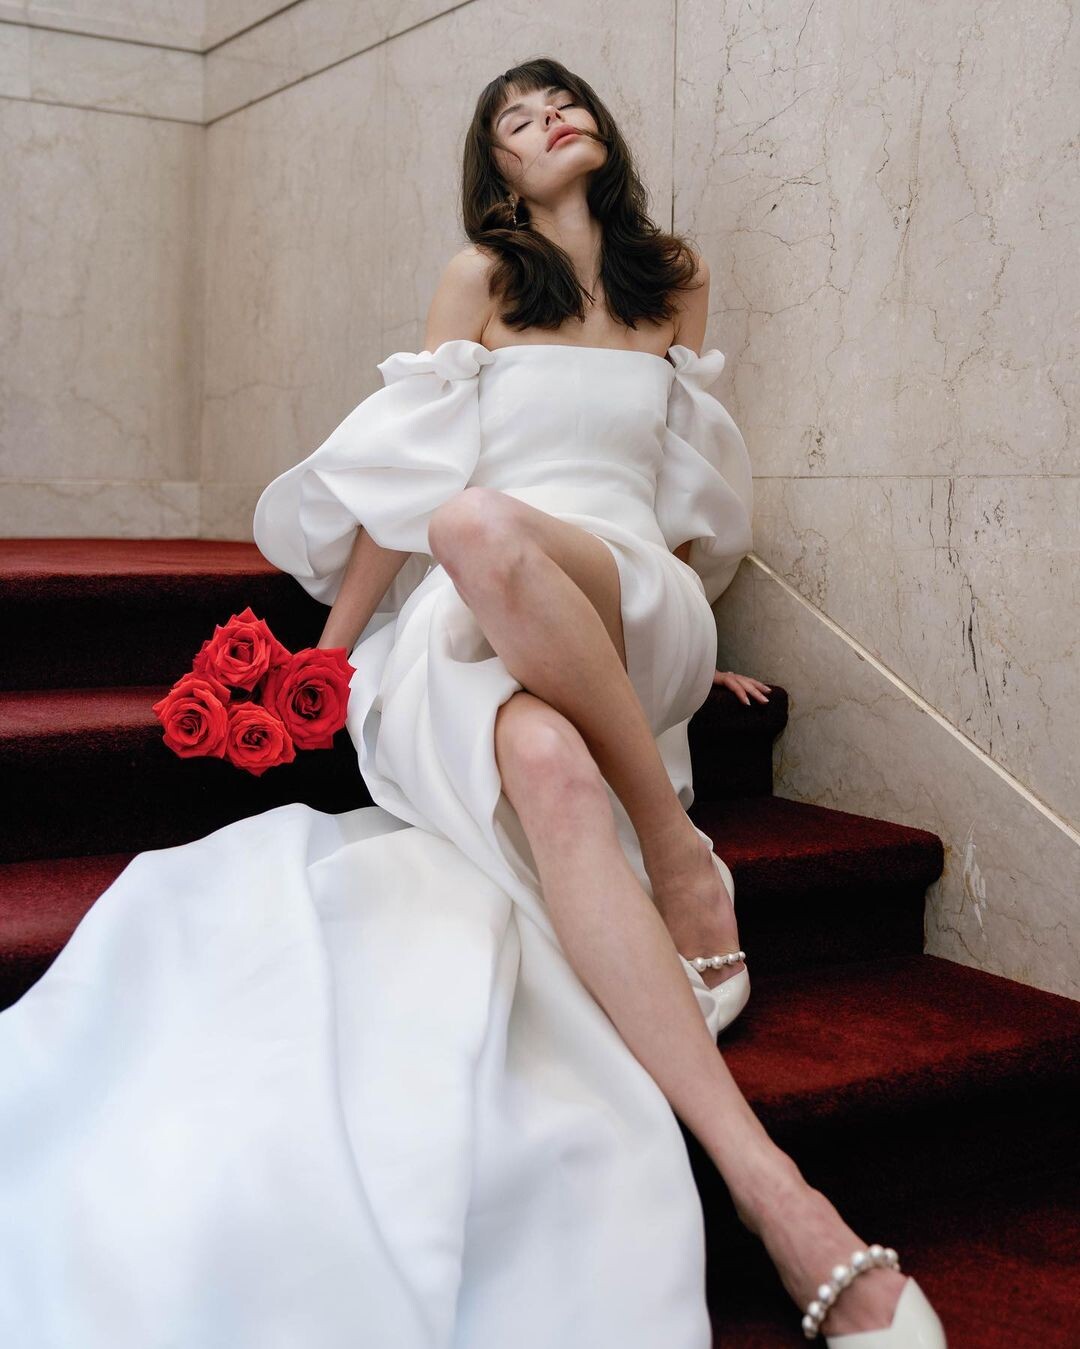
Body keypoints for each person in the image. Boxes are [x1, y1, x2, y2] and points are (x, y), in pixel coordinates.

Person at [0, 56, 947, 1349]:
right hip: (476, 603)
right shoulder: (482, 280)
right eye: (516, 117)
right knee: (528, 706)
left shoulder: (673, 279)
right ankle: (782, 1197)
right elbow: (414, 475)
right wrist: (328, 658)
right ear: (494, 167)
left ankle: (672, 851)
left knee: (485, 531)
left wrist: (694, 639)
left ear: (600, 130)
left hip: (627, 594)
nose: (549, 119)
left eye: (563, 103)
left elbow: (685, 478)